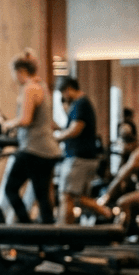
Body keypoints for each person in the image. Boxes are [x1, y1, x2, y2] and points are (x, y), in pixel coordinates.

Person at [1, 52, 63, 224]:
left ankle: (26, 227)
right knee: (42, 195)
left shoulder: (30, 88)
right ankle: (46, 231)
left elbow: (26, 119)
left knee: (11, 189)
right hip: (46, 149)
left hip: (34, 149)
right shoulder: (41, 85)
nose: (13, 77)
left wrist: (8, 124)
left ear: (21, 71)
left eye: (13, 73)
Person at [52, 77, 107, 224]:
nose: (64, 98)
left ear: (68, 89)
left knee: (66, 196)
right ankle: (108, 214)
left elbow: (75, 129)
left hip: (78, 158)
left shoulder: (81, 103)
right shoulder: (82, 104)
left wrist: (57, 137)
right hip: (84, 157)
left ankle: (63, 232)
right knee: (77, 198)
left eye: (63, 93)